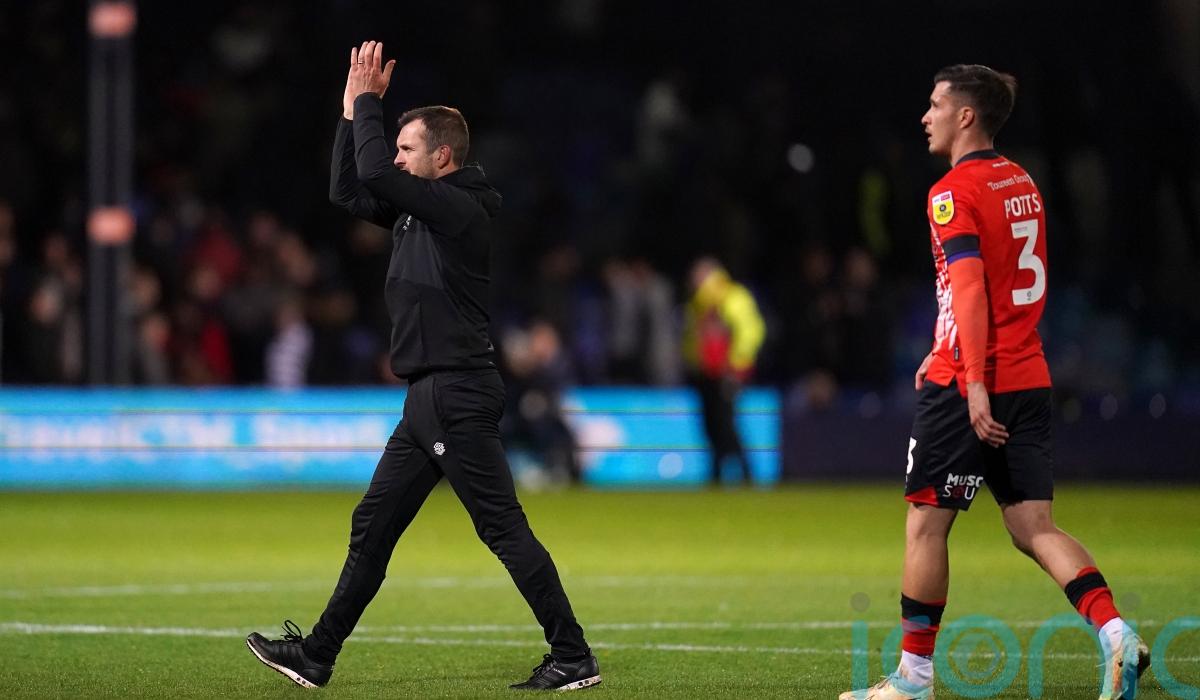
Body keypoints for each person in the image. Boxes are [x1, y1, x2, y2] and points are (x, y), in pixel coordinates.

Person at [245, 41, 600, 692]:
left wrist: (369, 104)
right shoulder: (422, 209)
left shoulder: (458, 209)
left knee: (501, 527)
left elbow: (376, 175)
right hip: (431, 396)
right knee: (373, 525)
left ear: (442, 157)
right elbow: (348, 188)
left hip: (456, 392)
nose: (398, 158)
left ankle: (573, 655)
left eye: (408, 148)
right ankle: (317, 655)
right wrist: (350, 114)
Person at [840, 65, 1148, 700]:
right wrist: (946, 346)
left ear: (965, 116)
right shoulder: (1022, 182)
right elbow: (1000, 285)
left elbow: (972, 288)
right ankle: (1116, 633)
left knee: (926, 526)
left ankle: (913, 680)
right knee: (1034, 527)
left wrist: (972, 379)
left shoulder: (951, 192)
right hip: (1027, 372)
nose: (925, 116)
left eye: (934, 105)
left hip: (969, 382)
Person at [682, 257, 765, 485]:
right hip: (705, 372)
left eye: (699, 275)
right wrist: (693, 362)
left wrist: (737, 364)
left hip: (727, 371)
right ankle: (717, 473)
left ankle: (745, 473)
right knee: (711, 424)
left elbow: (750, 331)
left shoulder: (732, 296)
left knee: (726, 423)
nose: (694, 280)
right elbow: (694, 339)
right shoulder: (698, 303)